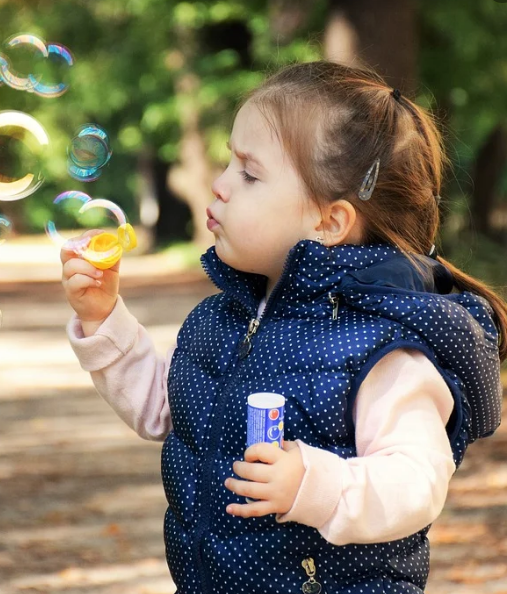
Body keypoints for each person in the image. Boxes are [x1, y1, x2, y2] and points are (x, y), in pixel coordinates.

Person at [60, 60, 507, 594]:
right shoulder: (223, 319)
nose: (221, 185)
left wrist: (313, 485)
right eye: (229, 163)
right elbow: (166, 409)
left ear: (329, 222)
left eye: (249, 174)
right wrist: (104, 318)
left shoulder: (380, 347)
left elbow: (417, 480)